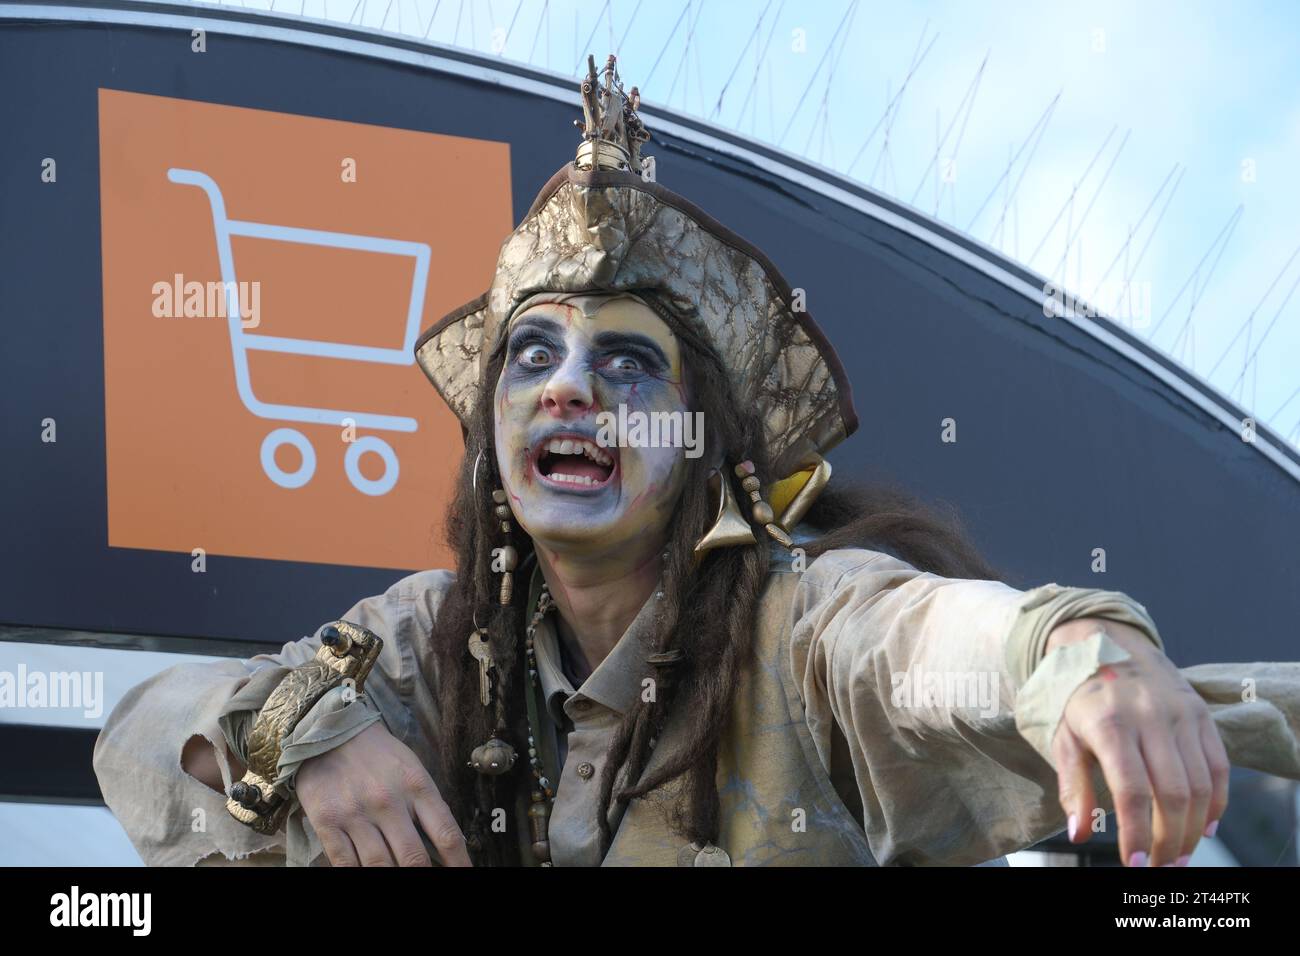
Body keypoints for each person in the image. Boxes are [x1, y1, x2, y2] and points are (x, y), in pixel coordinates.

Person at [94, 56, 1300, 868]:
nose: (567, 385)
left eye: (626, 365)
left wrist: (1085, 654)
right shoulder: (427, 640)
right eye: (530, 355)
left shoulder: (800, 624)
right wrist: (307, 731)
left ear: (699, 443)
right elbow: (135, 732)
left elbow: (937, 641)